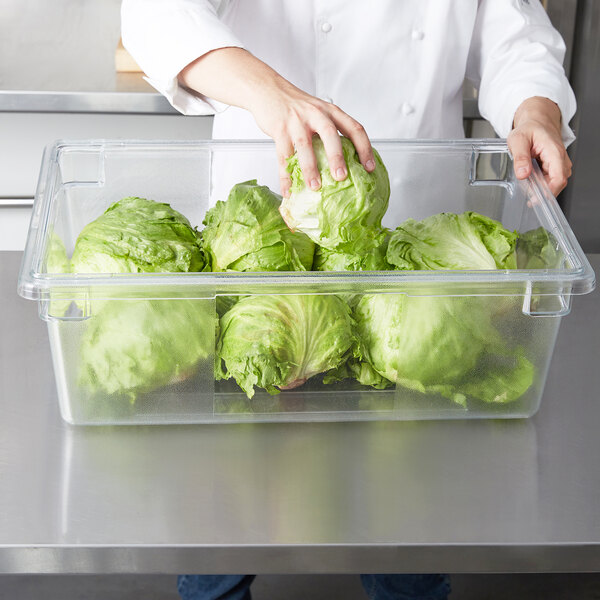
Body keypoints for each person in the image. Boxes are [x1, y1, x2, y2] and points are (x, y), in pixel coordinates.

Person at [121, 2, 576, 599]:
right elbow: (156, 13)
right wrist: (272, 94)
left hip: (413, 272)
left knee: (404, 499)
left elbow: (515, 36)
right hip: (260, 252)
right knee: (228, 498)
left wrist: (534, 110)